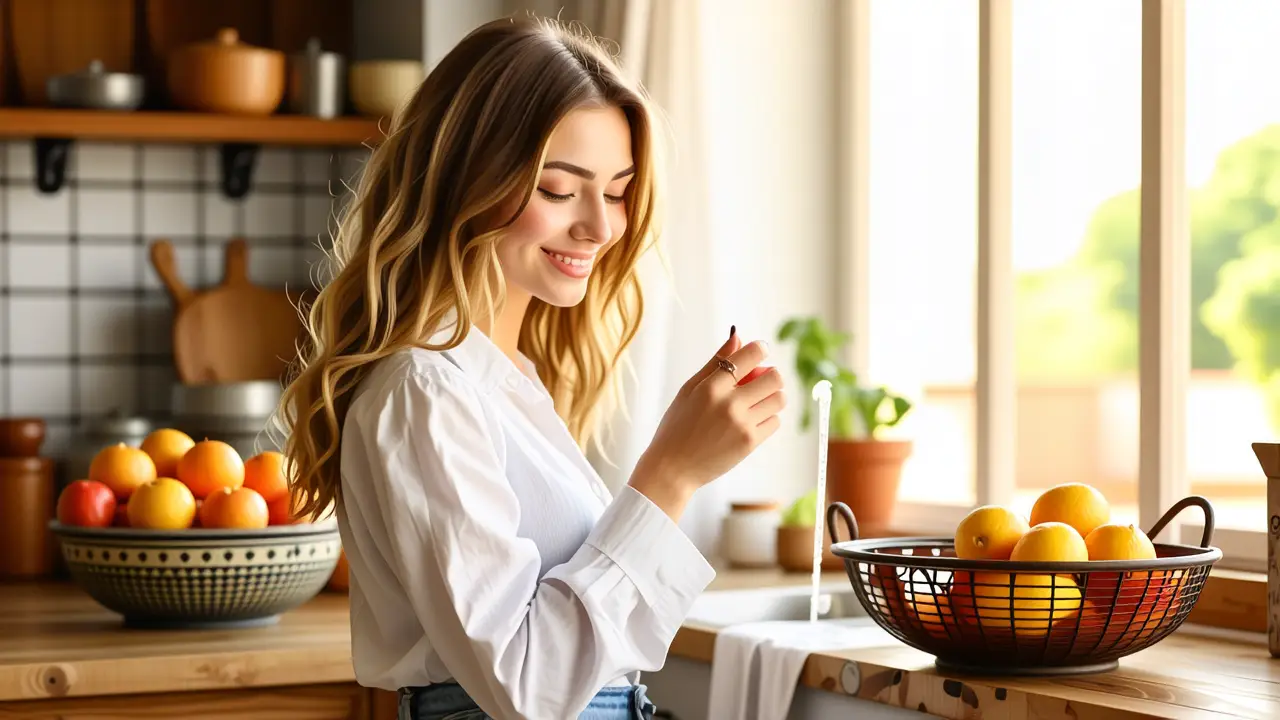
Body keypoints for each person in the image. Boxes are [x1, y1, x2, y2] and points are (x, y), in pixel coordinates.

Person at [274, 15, 786, 720]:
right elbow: (526, 686)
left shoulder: (503, 380)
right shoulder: (425, 392)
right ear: (466, 181)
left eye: (616, 191)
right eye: (557, 189)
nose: (601, 228)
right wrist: (673, 472)